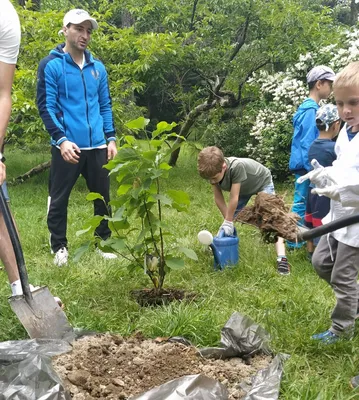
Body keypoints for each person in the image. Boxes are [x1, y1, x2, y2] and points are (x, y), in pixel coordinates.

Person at [36, 9, 118, 266]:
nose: (84, 35)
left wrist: (111, 138)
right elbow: (45, 106)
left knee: (103, 197)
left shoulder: (98, 68)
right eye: (79, 29)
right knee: (59, 197)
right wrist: (61, 139)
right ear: (65, 30)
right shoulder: (51, 64)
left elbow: (105, 105)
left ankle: (103, 242)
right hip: (67, 146)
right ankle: (59, 246)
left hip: (97, 145)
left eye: (88, 31)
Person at [299, 61, 359, 344]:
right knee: (321, 262)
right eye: (339, 103)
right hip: (336, 219)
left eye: (354, 103)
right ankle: (352, 300)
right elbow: (340, 167)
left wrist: (342, 191)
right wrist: (323, 176)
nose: (346, 111)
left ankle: (342, 328)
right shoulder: (345, 134)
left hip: (355, 226)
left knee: (343, 278)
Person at [197, 146, 290, 275]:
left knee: (273, 220)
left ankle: (282, 259)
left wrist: (229, 219)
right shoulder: (213, 170)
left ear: (223, 166)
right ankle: (219, 244)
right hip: (244, 188)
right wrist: (227, 222)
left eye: (214, 178)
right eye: (210, 179)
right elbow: (218, 198)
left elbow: (233, 197)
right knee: (228, 219)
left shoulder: (236, 167)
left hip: (262, 182)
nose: (212, 181)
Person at [287, 65, 336, 249]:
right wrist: (314, 170)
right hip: (306, 167)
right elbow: (309, 143)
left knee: (304, 202)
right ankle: (293, 242)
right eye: (329, 84)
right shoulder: (310, 111)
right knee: (301, 203)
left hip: (303, 165)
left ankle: (300, 240)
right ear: (319, 84)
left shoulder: (308, 108)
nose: (330, 89)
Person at [304, 104, 340, 261]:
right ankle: (322, 254)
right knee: (323, 222)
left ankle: (310, 250)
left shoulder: (312, 146)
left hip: (311, 189)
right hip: (326, 192)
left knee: (311, 220)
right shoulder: (335, 148)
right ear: (336, 124)